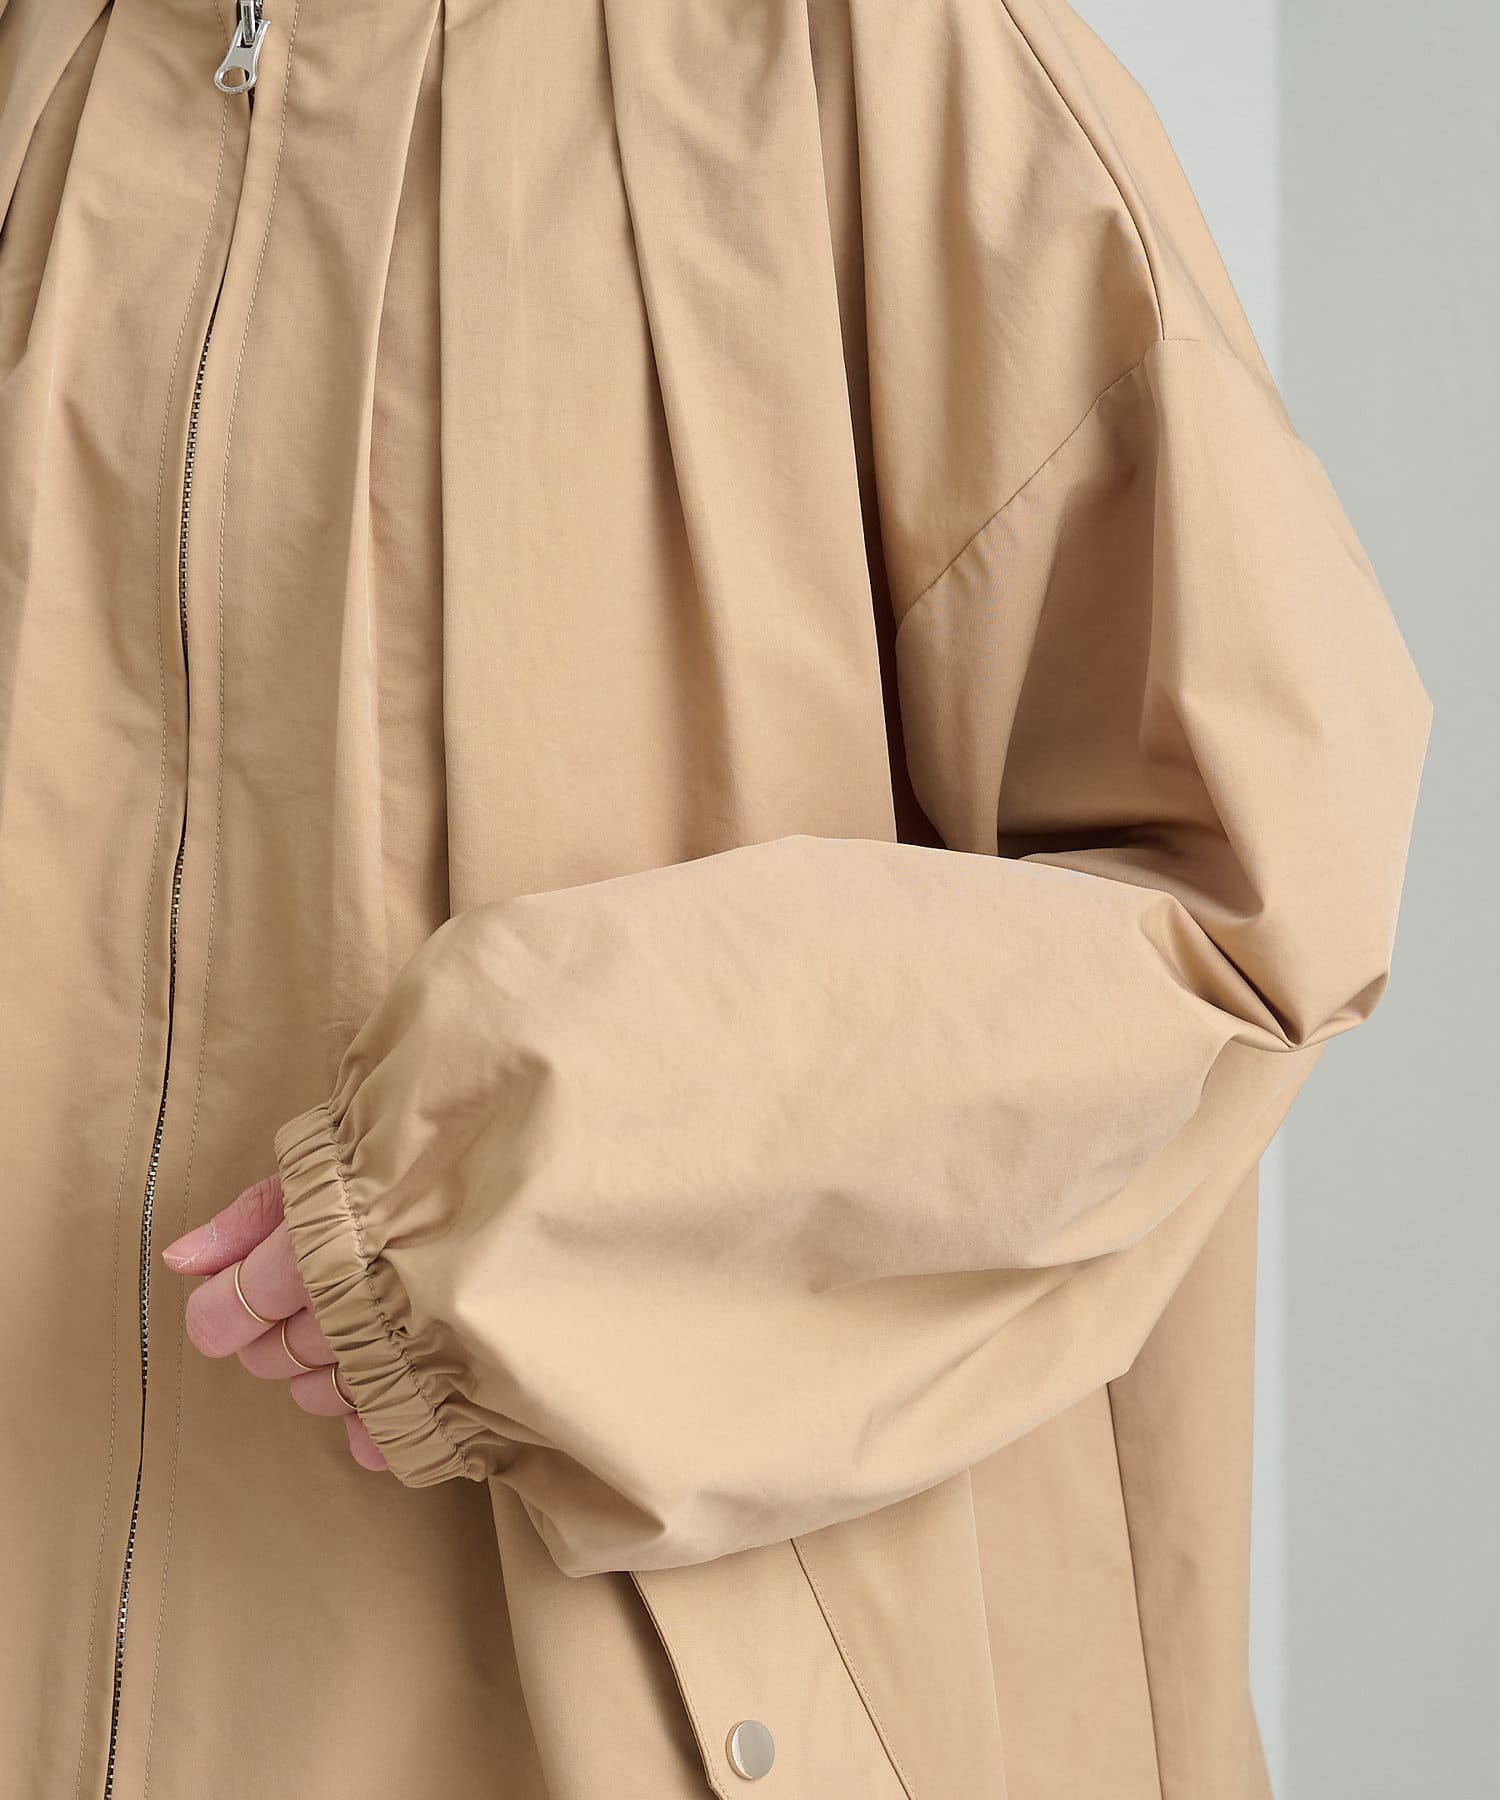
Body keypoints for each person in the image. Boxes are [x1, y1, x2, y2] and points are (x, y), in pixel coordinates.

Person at [0, 1, 1431, 1795]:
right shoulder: (46, 70)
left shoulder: (860, 53)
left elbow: (1251, 907)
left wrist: (526, 1168)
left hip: (631, 1684)